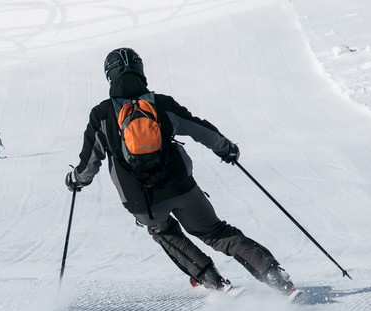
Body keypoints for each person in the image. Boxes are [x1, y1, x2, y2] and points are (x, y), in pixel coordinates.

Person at [65, 48, 296, 295]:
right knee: (215, 232)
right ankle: (275, 276)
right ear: (141, 71)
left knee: (164, 232)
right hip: (182, 187)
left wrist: (76, 180)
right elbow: (199, 129)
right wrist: (226, 149)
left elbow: (89, 163)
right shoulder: (162, 104)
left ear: (109, 76)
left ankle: (211, 279)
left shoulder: (101, 114)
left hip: (142, 201)